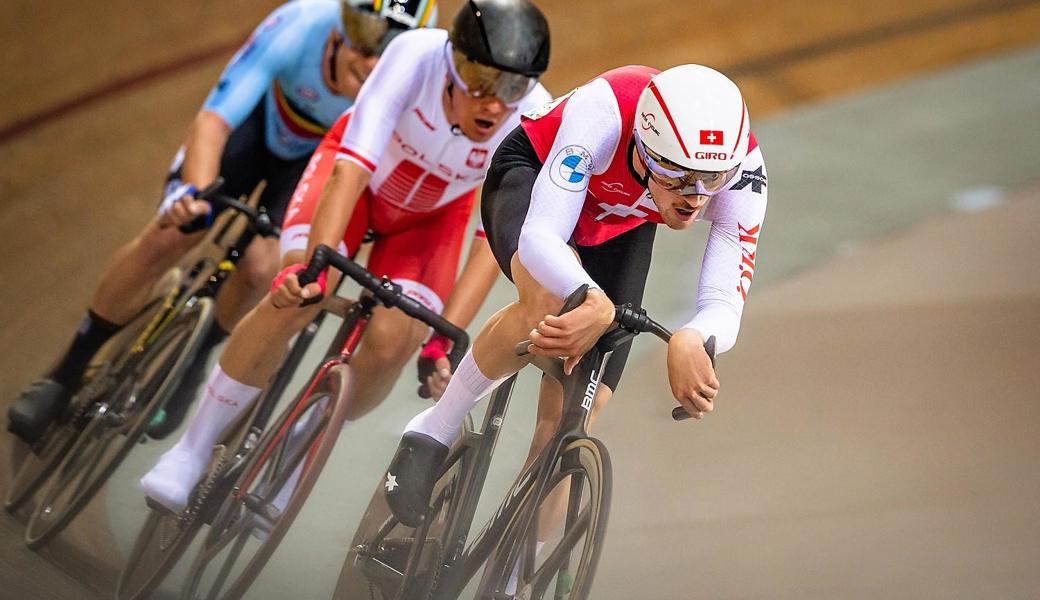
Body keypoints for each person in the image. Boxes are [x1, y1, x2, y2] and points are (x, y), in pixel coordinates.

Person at [138, 0, 553, 513]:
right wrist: (311, 267)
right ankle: (192, 449)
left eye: (513, 87)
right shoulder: (413, 57)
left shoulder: (535, 120)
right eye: (480, 80)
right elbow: (350, 172)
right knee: (298, 296)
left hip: (429, 219)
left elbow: (493, 240)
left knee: (397, 338)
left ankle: (302, 444)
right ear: (452, 62)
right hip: (356, 187)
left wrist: (444, 339)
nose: (494, 103)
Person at [7, 0, 439, 444]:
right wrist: (192, 196)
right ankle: (66, 373)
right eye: (364, 40)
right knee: (170, 234)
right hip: (255, 129)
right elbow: (214, 121)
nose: (371, 61)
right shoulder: (302, 24)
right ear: (340, 27)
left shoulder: (412, 82)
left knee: (261, 268)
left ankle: (194, 363)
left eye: (388, 50)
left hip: (317, 163)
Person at [384, 63, 769, 529]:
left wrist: (695, 335)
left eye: (713, 180)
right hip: (534, 173)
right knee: (546, 301)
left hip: (618, 220)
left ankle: (516, 569)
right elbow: (542, 236)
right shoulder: (603, 110)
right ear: (645, 153)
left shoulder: (744, 169)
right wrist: (587, 294)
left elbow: (724, 302)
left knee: (579, 409)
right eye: (676, 176)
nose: (695, 198)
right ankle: (435, 428)